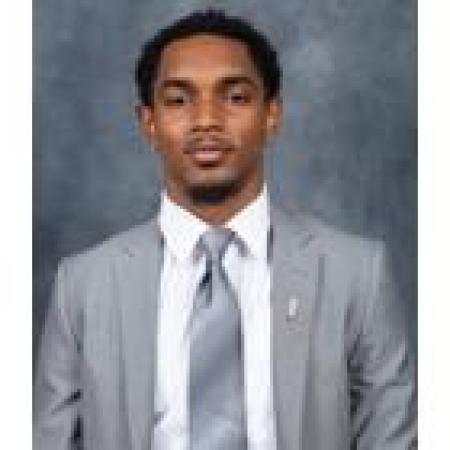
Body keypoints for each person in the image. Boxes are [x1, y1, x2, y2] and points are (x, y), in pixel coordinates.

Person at [33, 8, 417, 450]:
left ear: (272, 115)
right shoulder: (83, 285)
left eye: (234, 97)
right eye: (179, 100)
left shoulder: (357, 275)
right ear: (149, 123)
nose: (206, 120)